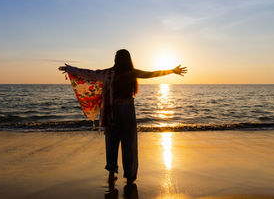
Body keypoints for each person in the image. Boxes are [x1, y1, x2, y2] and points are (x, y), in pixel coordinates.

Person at [59, 49, 187, 184]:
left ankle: (112, 171)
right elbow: (151, 74)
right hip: (127, 111)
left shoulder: (109, 73)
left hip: (112, 111)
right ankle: (130, 176)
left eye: (116, 57)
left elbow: (89, 74)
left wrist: (70, 69)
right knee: (129, 143)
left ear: (117, 59)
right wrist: (172, 71)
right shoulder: (132, 73)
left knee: (112, 142)